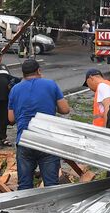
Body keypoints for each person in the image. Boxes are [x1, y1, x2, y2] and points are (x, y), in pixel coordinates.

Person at [7, 58, 70, 189]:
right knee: (51, 185)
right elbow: (65, 109)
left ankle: (25, 209)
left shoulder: (15, 89)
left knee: (24, 185)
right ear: (39, 71)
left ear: (23, 74)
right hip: (47, 139)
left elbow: (11, 118)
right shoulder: (50, 85)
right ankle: (51, 209)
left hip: (25, 139)